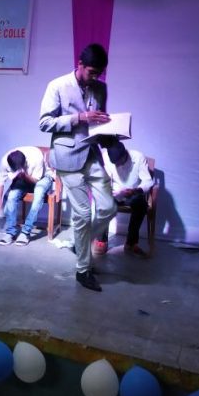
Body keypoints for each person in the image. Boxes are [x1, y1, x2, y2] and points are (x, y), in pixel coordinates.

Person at [39, 43, 117, 292]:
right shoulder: (57, 85)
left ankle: (78, 241)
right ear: (80, 64)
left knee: (109, 207)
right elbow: (44, 123)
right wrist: (80, 118)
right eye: (92, 72)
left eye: (99, 74)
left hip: (92, 154)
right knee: (82, 214)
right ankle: (83, 270)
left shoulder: (101, 88)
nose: (95, 77)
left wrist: (112, 130)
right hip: (67, 157)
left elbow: (99, 121)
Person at [101, 140, 154, 257]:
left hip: (132, 192)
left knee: (141, 204)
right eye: (115, 164)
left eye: (119, 163)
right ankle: (102, 240)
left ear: (125, 155)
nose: (117, 166)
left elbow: (148, 181)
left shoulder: (138, 157)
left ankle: (131, 243)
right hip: (114, 192)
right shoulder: (105, 157)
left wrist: (135, 190)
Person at [0, 147, 54, 246]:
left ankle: (25, 232)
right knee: (12, 196)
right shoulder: (5, 161)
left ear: (25, 162)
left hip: (43, 177)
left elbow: (36, 181)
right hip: (23, 178)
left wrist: (24, 175)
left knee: (39, 193)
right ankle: (10, 232)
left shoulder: (36, 157)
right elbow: (0, 182)